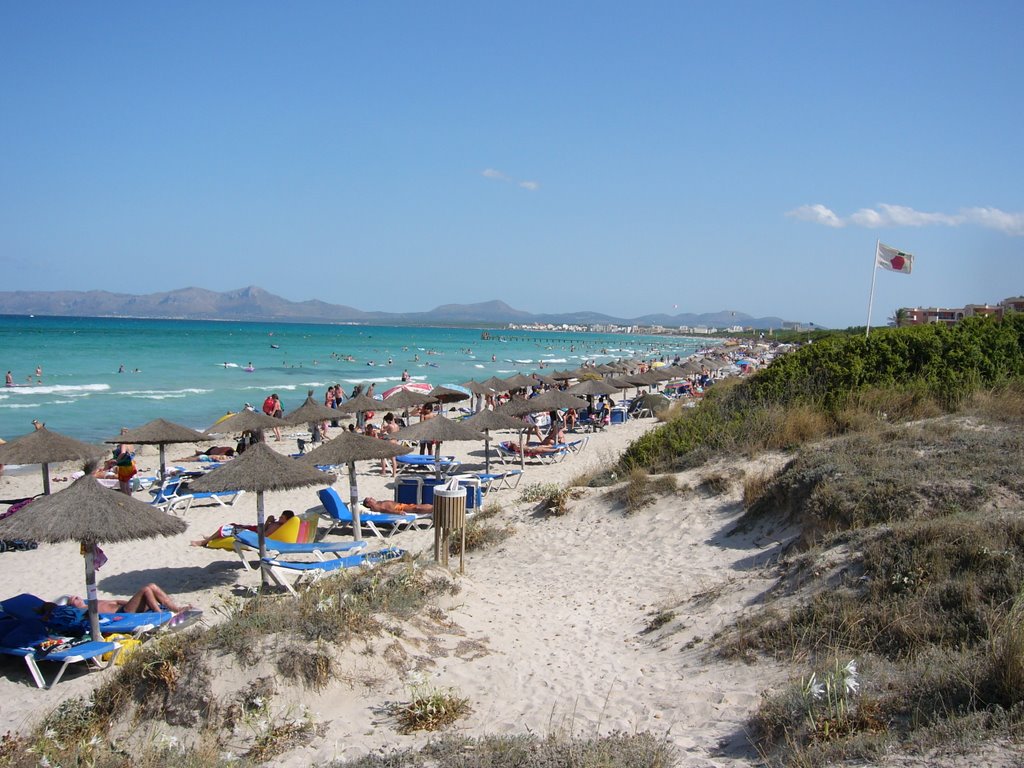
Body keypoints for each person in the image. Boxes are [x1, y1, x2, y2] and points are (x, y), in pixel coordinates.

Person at [47, 583, 188, 615]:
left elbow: (116, 601)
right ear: (72, 606)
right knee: (146, 589)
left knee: (151, 586)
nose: (77, 598)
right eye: (75, 599)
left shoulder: (91, 602)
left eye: (77, 596)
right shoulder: (85, 611)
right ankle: (159, 614)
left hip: (126, 607)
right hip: (123, 614)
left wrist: (133, 603)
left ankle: (175, 608)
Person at [191, 510, 295, 548]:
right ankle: (211, 538)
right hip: (254, 531)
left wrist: (268, 522)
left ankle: (204, 542)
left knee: (226, 528)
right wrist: (269, 522)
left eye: (282, 517)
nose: (280, 518)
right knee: (231, 526)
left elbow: (263, 536)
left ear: (287, 520)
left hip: (253, 535)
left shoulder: (277, 526)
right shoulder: (279, 525)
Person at [362, 497, 432, 515]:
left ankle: (435, 507)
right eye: (370, 499)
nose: (372, 498)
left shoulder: (377, 503)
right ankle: (436, 508)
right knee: (416, 508)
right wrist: (397, 512)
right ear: (368, 504)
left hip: (399, 505)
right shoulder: (375, 507)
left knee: (416, 507)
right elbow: (385, 510)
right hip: (398, 508)